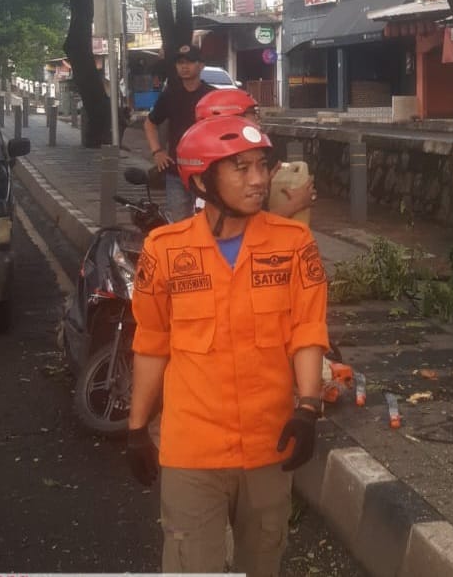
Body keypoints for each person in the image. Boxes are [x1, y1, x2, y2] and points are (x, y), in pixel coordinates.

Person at [126, 115, 330, 577]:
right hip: (192, 451)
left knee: (264, 564)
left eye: (261, 165)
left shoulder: (294, 244)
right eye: (240, 168)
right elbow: (152, 343)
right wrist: (137, 428)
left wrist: (308, 408)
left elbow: (307, 330)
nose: (259, 179)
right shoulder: (164, 251)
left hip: (269, 445)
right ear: (201, 178)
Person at [193, 89, 317, 219]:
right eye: (242, 168)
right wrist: (296, 204)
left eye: (261, 165)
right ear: (232, 117)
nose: (258, 121)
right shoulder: (216, 168)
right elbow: (245, 226)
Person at [143, 44, 214, 220]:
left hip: (207, 173)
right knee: (178, 225)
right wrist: (157, 152)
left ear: (201, 65)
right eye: (180, 62)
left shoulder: (212, 96)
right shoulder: (170, 95)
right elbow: (150, 123)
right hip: (177, 173)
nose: (184, 66)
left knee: (208, 223)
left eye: (190, 62)